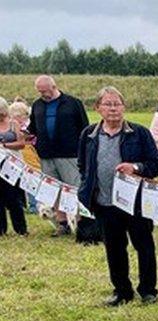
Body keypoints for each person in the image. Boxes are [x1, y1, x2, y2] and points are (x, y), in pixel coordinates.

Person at [77, 86, 158, 306]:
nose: (113, 108)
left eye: (117, 104)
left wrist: (135, 167)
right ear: (98, 108)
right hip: (104, 203)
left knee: (144, 245)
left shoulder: (139, 133)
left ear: (124, 107)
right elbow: (82, 165)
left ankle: (148, 290)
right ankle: (122, 291)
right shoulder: (88, 135)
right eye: (108, 104)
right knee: (114, 249)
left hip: (135, 203)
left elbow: (156, 164)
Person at [28, 75, 89, 236]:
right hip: (46, 155)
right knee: (54, 190)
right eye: (39, 91)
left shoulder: (73, 103)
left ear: (54, 87)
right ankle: (62, 223)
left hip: (69, 154)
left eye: (45, 91)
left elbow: (84, 128)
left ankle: (81, 222)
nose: (42, 94)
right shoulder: (37, 105)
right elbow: (32, 128)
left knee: (73, 188)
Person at [0, 97, 28, 236]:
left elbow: (22, 143)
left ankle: (21, 229)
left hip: (12, 166)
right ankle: (1, 229)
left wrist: (4, 146)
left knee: (14, 199)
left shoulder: (13, 124)